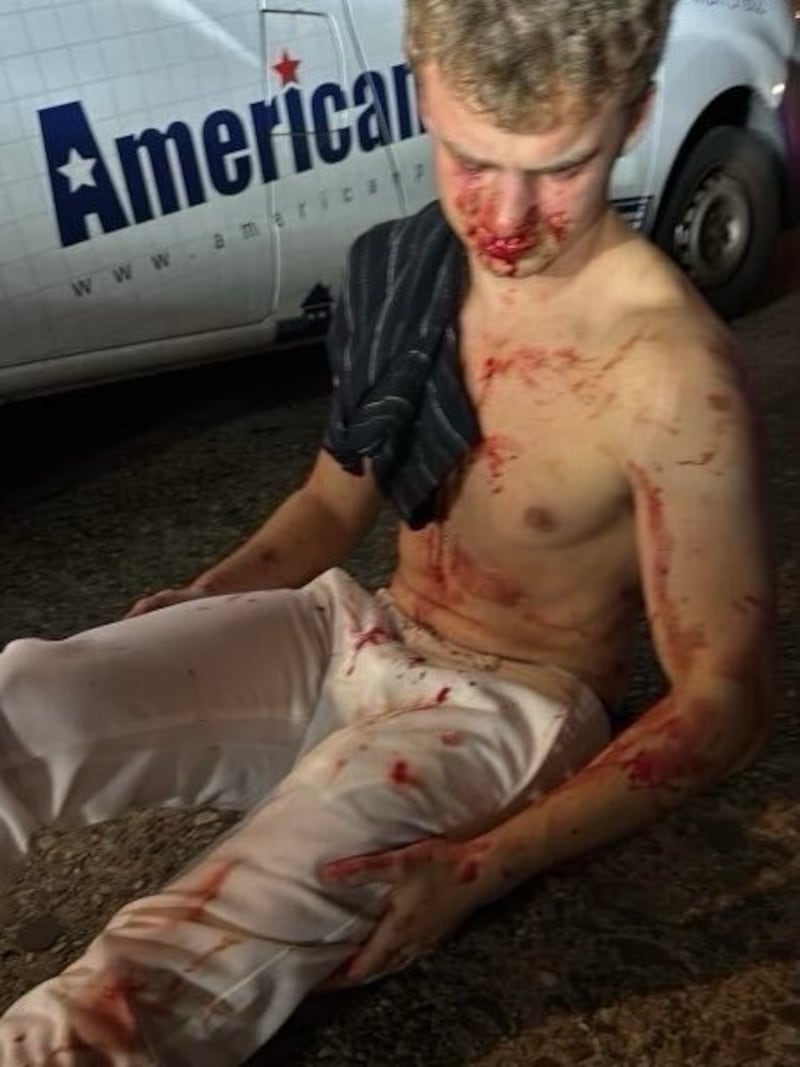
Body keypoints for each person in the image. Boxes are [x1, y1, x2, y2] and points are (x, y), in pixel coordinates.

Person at [0, 0, 772, 1062]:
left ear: (635, 117)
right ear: (422, 95)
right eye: (471, 159)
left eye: (560, 168)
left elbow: (724, 700)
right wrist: (208, 595)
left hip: (511, 705)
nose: (505, 219)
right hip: (356, 629)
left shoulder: (670, 374)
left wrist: (479, 867)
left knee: (134, 987)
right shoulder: (411, 268)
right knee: (23, 696)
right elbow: (332, 505)